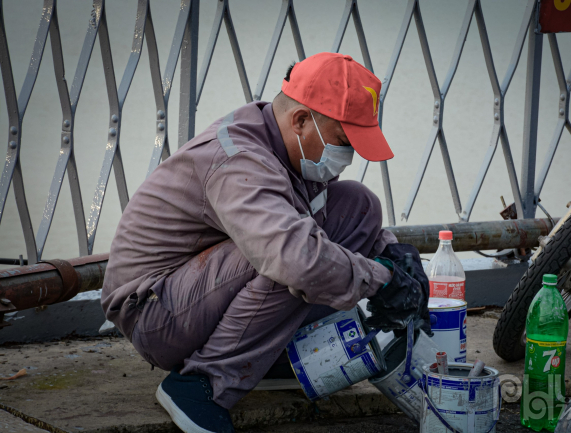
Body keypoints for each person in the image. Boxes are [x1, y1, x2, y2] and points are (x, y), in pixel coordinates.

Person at [101, 52, 429, 433]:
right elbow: (296, 258)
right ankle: (200, 384)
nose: (348, 157)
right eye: (343, 142)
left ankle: (268, 355)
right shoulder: (239, 159)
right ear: (302, 120)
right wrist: (381, 279)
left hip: (194, 296)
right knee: (295, 258)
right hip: (154, 313)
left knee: (358, 205)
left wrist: (391, 252)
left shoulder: (286, 142)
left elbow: (337, 220)